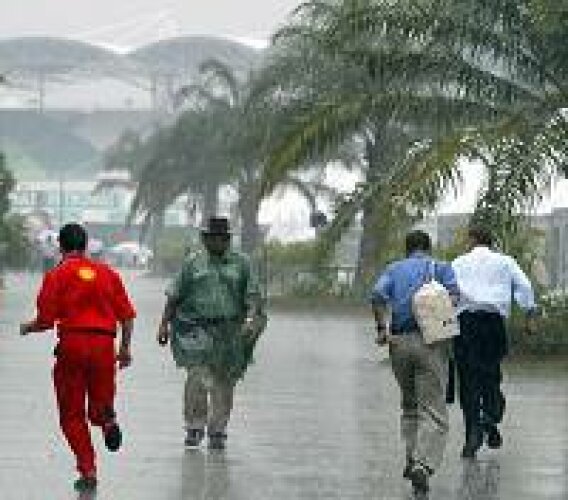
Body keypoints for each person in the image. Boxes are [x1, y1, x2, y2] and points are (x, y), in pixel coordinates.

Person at [20, 223, 136, 493]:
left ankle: (88, 469)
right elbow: (127, 316)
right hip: (104, 345)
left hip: (72, 345)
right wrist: (125, 349)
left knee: (72, 415)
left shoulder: (56, 275)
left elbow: (47, 320)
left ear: (60, 246)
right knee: (100, 404)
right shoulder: (108, 274)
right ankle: (107, 421)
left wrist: (28, 327)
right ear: (86, 246)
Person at [157, 216, 265, 450]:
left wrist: (249, 319)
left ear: (227, 240)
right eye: (210, 238)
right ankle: (194, 426)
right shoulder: (193, 263)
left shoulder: (242, 264)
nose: (216, 242)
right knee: (197, 376)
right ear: (204, 239)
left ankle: (218, 429)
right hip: (196, 329)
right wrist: (164, 324)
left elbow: (253, 296)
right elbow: (174, 295)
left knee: (224, 382)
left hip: (230, 331)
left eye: (221, 238)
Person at [369, 230, 459, 496]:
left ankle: (411, 458)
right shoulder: (441, 268)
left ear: (406, 249)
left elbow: (377, 296)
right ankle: (423, 463)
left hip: (399, 345)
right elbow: (454, 298)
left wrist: (381, 329)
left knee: (409, 405)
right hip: (431, 344)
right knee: (432, 410)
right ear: (428, 248)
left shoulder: (394, 269)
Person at [452, 224, 537, 458]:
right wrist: (529, 315)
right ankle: (489, 418)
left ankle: (472, 433)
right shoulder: (505, 262)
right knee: (491, 374)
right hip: (493, 324)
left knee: (468, 380)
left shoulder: (458, 263)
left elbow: (448, 292)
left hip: (465, 324)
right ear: (490, 242)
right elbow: (524, 286)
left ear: (472, 240)